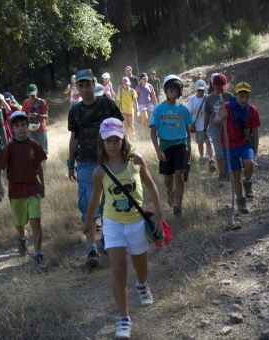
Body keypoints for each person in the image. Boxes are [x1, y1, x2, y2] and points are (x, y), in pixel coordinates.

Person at [82, 118, 162, 340]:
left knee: (141, 266)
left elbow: (151, 185)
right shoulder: (99, 172)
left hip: (137, 222)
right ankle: (124, 318)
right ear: (102, 141)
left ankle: (142, 285)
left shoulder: (135, 161)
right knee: (118, 270)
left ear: (123, 139)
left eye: (117, 139)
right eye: (108, 140)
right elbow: (95, 199)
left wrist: (159, 213)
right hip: (113, 223)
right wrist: (88, 221)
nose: (113, 144)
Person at [67, 69, 123, 267]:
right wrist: (70, 163)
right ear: (77, 88)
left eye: (87, 85)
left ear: (94, 84)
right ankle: (91, 250)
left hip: (109, 162)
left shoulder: (107, 104)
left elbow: (120, 131)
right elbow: (74, 138)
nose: (84, 89)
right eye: (80, 86)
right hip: (84, 163)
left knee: (109, 203)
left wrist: (125, 158)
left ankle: (107, 239)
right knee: (87, 204)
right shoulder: (74, 111)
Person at [0, 111, 47, 268]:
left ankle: (38, 254)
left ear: (27, 125)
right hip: (16, 191)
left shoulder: (35, 146)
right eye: (17, 126)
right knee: (19, 222)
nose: (21, 128)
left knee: (35, 221)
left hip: (33, 188)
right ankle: (21, 236)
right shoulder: (9, 147)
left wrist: (43, 186)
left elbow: (39, 167)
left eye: (23, 125)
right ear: (12, 128)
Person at [213, 82, 260, 214]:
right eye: (241, 96)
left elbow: (255, 131)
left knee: (249, 163)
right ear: (235, 95)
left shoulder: (252, 110)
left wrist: (255, 149)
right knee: (235, 173)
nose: (244, 99)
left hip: (245, 143)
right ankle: (240, 201)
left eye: (246, 96)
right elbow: (215, 121)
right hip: (229, 145)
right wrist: (222, 117)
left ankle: (248, 182)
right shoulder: (226, 107)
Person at [149, 75, 192, 218]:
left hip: (180, 144)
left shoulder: (183, 109)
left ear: (180, 92)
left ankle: (178, 206)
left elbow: (188, 129)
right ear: (166, 91)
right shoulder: (158, 109)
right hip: (165, 146)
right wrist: (158, 150)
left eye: (177, 91)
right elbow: (153, 131)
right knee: (168, 179)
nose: (174, 93)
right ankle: (170, 192)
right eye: (171, 91)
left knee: (179, 175)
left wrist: (189, 148)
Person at [203, 73, 234, 187]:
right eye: (218, 88)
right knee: (219, 151)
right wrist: (204, 131)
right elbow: (207, 116)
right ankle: (222, 175)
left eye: (223, 88)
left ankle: (230, 172)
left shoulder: (230, 96)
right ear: (213, 85)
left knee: (229, 151)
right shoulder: (209, 99)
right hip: (215, 127)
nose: (221, 91)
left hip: (228, 126)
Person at [187, 79, 216, 171]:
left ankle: (211, 159)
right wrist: (189, 123)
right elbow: (189, 113)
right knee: (200, 143)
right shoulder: (192, 100)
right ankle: (202, 157)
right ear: (196, 90)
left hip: (207, 125)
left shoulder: (207, 98)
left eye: (202, 90)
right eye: (198, 90)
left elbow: (212, 111)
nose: (200, 92)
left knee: (208, 142)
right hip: (198, 126)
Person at [22, 84, 49, 156]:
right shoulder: (25, 103)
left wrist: (38, 115)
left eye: (33, 95)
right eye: (30, 95)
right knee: (32, 150)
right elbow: (23, 116)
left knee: (43, 150)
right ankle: (35, 166)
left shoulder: (42, 102)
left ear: (37, 92)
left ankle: (44, 167)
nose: (31, 97)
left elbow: (46, 117)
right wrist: (28, 116)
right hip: (30, 130)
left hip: (41, 129)